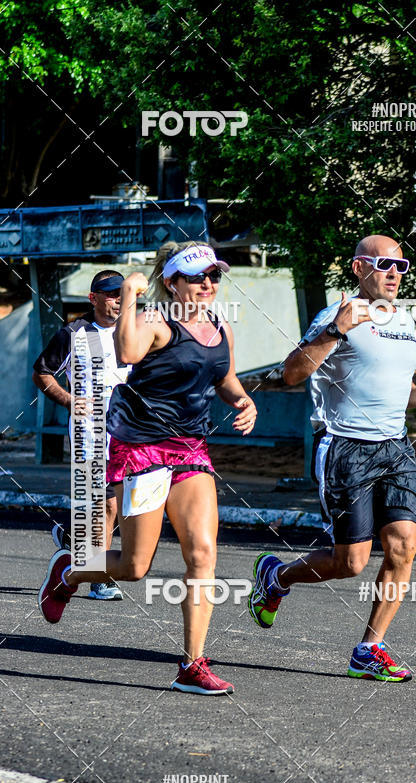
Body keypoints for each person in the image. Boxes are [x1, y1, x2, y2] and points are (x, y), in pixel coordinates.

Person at [38, 241, 258, 695]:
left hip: (189, 450)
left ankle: (191, 664)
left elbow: (224, 376)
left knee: (202, 553)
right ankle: (71, 572)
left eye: (214, 276)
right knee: (135, 566)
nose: (209, 285)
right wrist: (134, 295)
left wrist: (242, 398)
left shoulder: (219, 327)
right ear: (173, 282)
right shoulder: (153, 321)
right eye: (198, 277)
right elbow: (127, 354)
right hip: (141, 449)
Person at [248, 234, 416, 683]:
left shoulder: (403, 322)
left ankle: (368, 649)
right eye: (384, 264)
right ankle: (277, 577)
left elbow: (400, 392)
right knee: (351, 562)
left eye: (401, 266)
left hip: (395, 449)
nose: (395, 274)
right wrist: (337, 329)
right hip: (345, 448)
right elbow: (291, 373)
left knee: (403, 545)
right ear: (359, 268)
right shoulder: (336, 315)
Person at [32, 270, 131, 601]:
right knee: (105, 505)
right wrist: (71, 401)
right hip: (90, 435)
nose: (119, 298)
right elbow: (42, 372)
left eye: (124, 292)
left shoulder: (135, 334)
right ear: (94, 298)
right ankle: (99, 578)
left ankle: (75, 544)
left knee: (114, 507)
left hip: (128, 434)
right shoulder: (75, 333)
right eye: (112, 293)